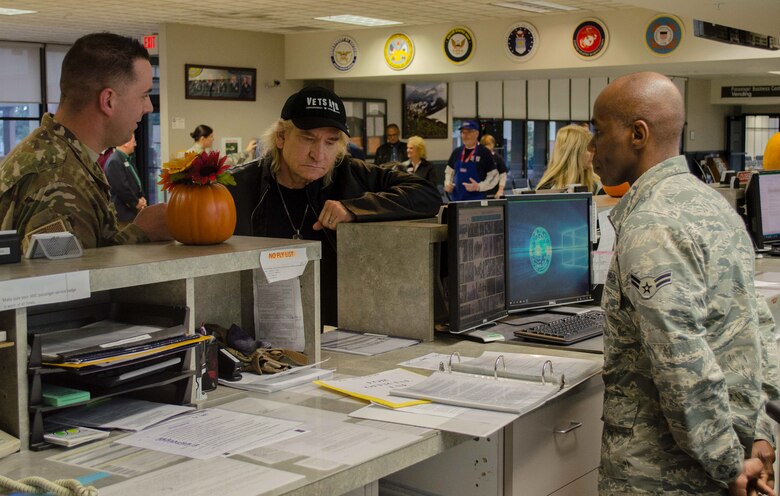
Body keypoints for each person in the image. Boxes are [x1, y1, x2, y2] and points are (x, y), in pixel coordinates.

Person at [591, 71, 780, 495]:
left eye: (599, 132)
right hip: (728, 452)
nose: (592, 148)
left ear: (637, 134)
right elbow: (760, 328)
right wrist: (762, 437)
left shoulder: (651, 225)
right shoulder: (711, 205)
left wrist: (728, 466)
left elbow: (682, 363)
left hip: (662, 473)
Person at [228, 86, 441, 326]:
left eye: (331, 142)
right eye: (308, 139)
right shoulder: (239, 185)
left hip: (334, 325)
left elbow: (427, 194)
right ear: (281, 136)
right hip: (257, 328)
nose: (318, 154)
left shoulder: (349, 173)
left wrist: (355, 208)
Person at [0, 32, 169, 251]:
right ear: (108, 100)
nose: (149, 108)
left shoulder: (53, 151)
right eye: (143, 96)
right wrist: (141, 233)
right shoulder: (59, 180)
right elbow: (65, 278)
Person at [536, 124, 599, 193]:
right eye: (587, 148)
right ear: (573, 153)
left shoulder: (596, 185)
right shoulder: (546, 190)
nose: (593, 152)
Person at [443, 120, 497, 201]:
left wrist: (479, 187)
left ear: (476, 134)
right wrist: (448, 184)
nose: (465, 135)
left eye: (469, 132)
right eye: (463, 132)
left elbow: (494, 177)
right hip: (457, 200)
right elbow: (449, 172)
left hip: (477, 201)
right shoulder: (457, 152)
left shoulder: (484, 152)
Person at [104, 135, 146, 225]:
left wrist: (141, 197)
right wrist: (136, 202)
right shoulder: (114, 161)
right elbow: (121, 187)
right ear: (126, 143)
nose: (135, 144)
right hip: (123, 213)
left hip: (132, 211)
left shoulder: (126, 159)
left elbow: (134, 182)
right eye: (133, 141)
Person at [187, 124, 256, 167]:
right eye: (211, 136)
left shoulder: (202, 152)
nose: (213, 139)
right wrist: (246, 151)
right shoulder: (199, 155)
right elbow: (228, 162)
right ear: (202, 138)